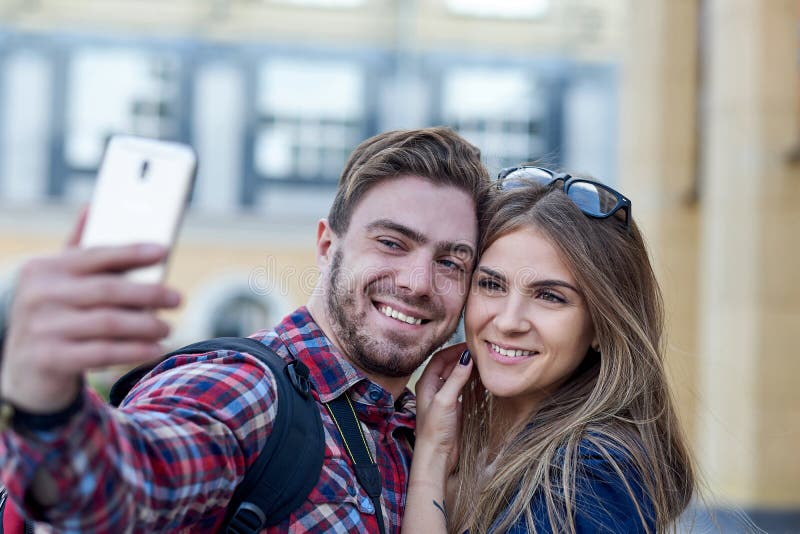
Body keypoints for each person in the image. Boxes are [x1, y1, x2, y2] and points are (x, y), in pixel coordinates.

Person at [0, 127, 491, 532]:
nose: (419, 282)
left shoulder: (417, 433)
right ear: (326, 247)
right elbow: (122, 488)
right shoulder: (244, 388)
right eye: (391, 242)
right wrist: (46, 406)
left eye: (451, 262)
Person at [404, 167, 695, 533]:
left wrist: (428, 468)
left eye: (550, 296)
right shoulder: (472, 449)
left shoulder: (593, 473)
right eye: (491, 284)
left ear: (602, 327)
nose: (510, 321)